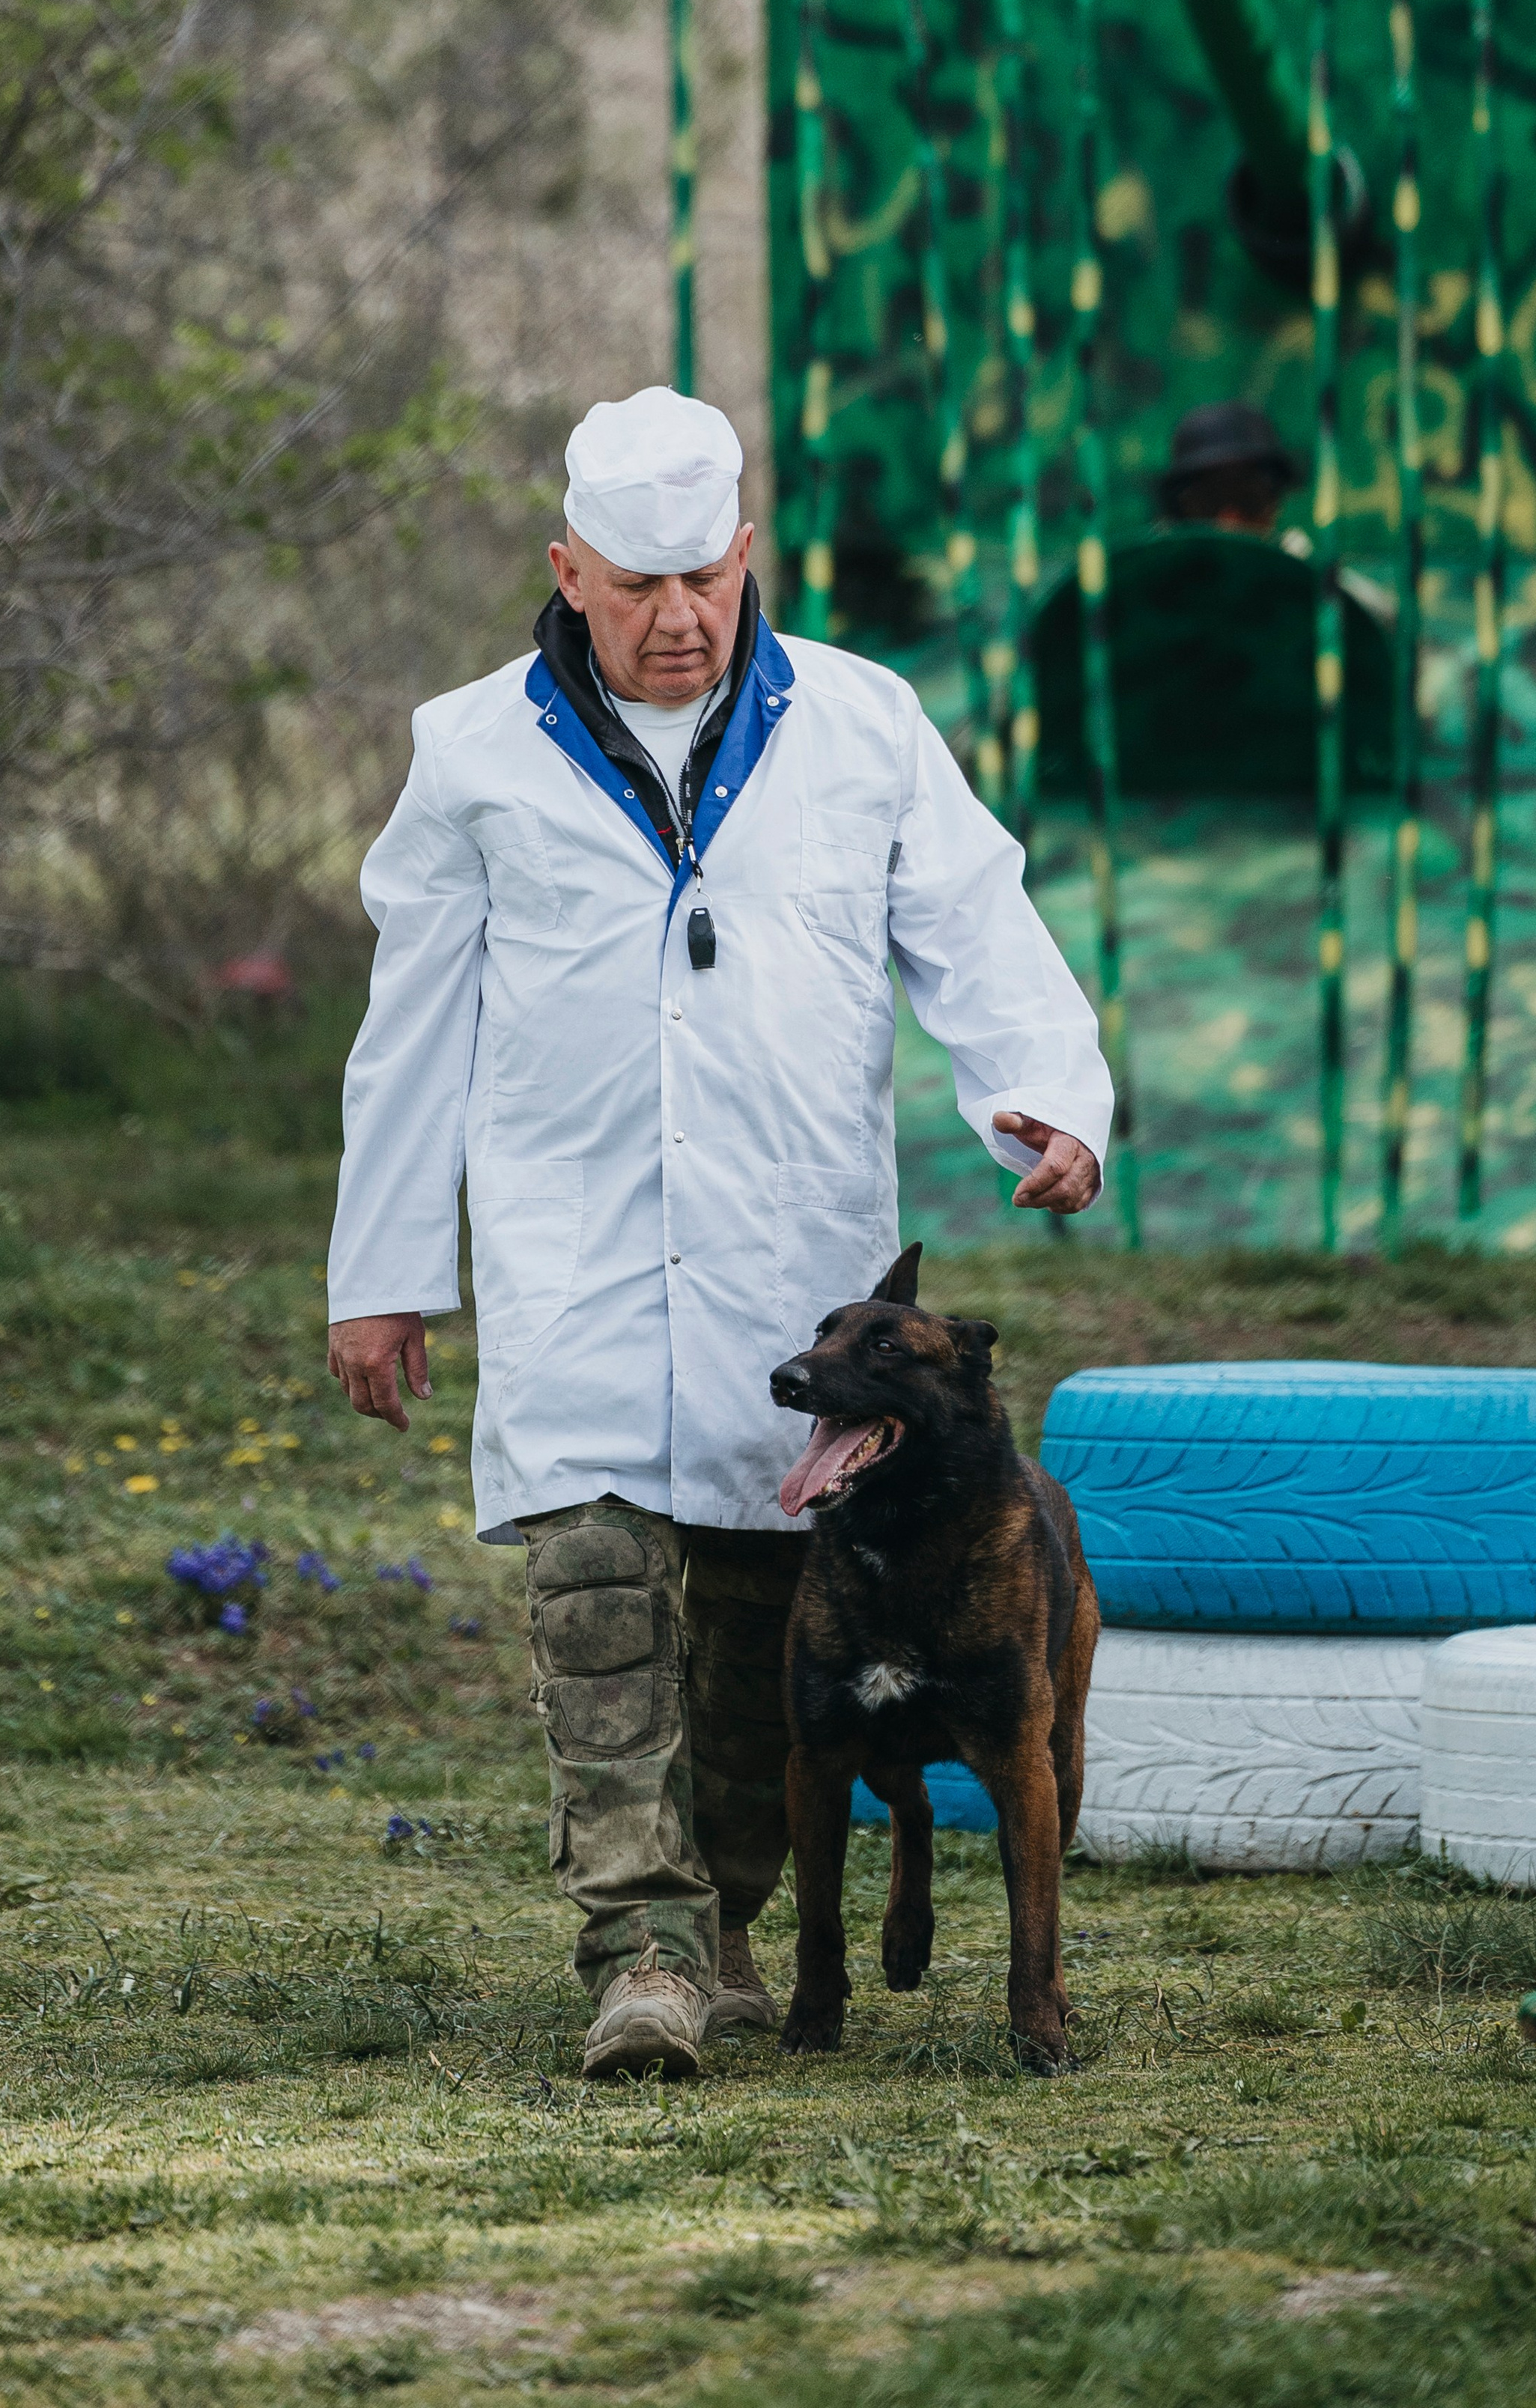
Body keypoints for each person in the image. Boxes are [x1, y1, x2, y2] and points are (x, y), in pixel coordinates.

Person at [324, 386, 1114, 2082]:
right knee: (596, 1593)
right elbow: (410, 1026)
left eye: (706, 578)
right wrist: (384, 1273)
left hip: (793, 1263)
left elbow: (970, 922)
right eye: (636, 586)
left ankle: (728, 1923)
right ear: (567, 569)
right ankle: (642, 1947)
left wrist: (1043, 1094)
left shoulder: (862, 723)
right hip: (576, 1253)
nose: (678, 618)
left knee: (772, 1632)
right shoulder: (472, 750)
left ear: (748, 555)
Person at [1155, 400, 1297, 535]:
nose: (1229, 524)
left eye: (1248, 501)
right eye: (1208, 504)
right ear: (1182, 512)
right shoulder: (1160, 559)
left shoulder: (1293, 557)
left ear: (1274, 505)